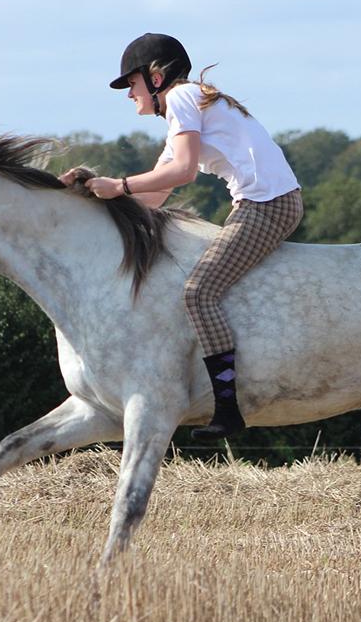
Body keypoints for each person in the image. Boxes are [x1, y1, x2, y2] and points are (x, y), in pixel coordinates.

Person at [60, 33, 302, 442]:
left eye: (131, 84)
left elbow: (184, 171)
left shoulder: (183, 99)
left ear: (156, 78)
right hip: (263, 203)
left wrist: (118, 184)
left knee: (198, 293)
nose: (128, 94)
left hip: (267, 206)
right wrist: (88, 193)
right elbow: (153, 197)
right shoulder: (185, 111)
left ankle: (228, 406)